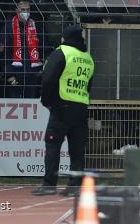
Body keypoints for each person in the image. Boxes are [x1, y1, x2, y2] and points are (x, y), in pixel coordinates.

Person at [32, 25, 95, 197]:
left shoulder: (62, 52)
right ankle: (74, 187)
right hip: (81, 106)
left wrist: (46, 101)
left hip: (61, 106)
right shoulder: (87, 57)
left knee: (52, 145)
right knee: (77, 150)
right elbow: (89, 85)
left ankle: (49, 184)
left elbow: (48, 78)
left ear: (65, 37)